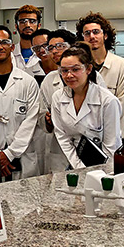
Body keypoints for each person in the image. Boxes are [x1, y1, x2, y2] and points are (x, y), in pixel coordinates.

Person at [0, 25, 40, 181]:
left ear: (12, 47)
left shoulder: (28, 82)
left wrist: (9, 153)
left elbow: (31, 121)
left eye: (4, 42)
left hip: (22, 155)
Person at [50, 45, 122, 169]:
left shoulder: (108, 101)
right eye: (64, 70)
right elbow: (63, 137)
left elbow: (111, 146)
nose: (69, 75)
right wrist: (80, 168)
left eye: (75, 69)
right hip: (73, 163)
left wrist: (100, 174)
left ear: (88, 69)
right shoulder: (58, 97)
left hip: (105, 166)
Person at [76, 12, 124, 115]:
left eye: (96, 32)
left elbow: (122, 106)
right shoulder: (78, 67)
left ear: (105, 35)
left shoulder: (122, 65)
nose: (92, 36)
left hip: (113, 128)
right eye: (87, 33)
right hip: (84, 129)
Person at [39, 29, 77, 174]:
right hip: (59, 148)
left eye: (59, 46)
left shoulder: (92, 77)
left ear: (72, 47)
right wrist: (47, 120)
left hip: (87, 146)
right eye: (51, 48)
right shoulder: (49, 80)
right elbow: (41, 114)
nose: (54, 51)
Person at [12, 5, 44, 77]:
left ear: (39, 26)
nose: (27, 25)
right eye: (23, 21)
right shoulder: (10, 53)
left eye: (32, 21)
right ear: (16, 26)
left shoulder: (44, 53)